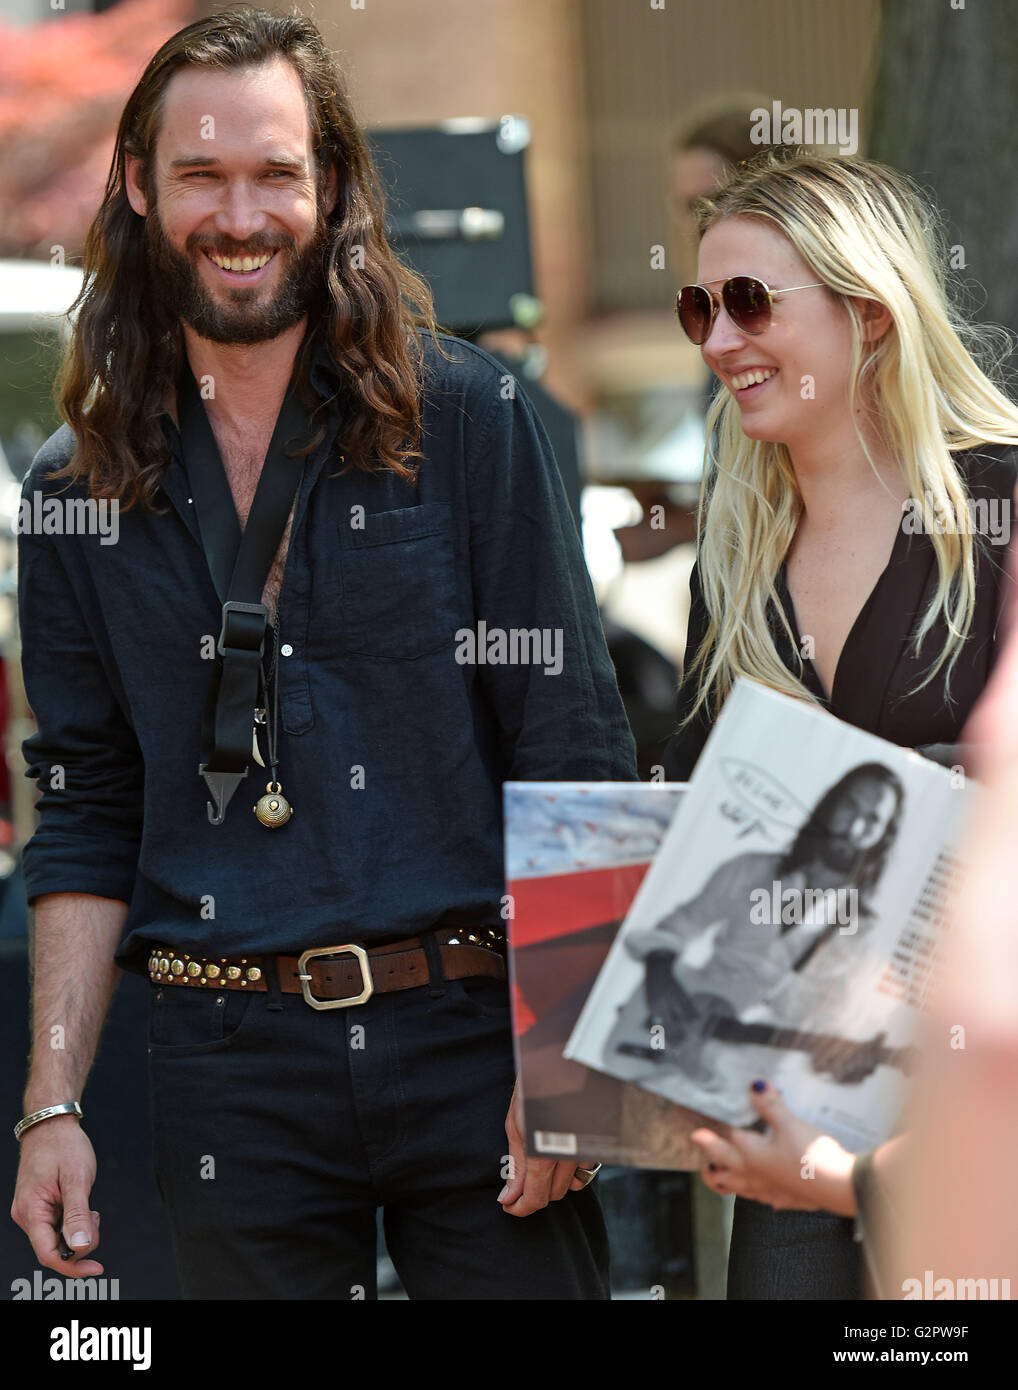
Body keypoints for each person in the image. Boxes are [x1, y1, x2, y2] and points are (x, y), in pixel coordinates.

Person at [9, 8, 637, 1301]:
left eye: (275, 173)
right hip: (222, 1057)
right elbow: (80, 808)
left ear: (332, 182)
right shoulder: (74, 490)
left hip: (474, 1036)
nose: (242, 214)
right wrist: (49, 1101)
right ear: (139, 186)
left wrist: (575, 1064)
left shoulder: (467, 413)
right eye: (202, 174)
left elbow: (571, 741)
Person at [661, 148, 1018, 1299]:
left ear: (869, 314)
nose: (719, 341)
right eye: (698, 308)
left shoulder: (1000, 507)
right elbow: (693, 828)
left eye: (752, 301)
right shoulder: (734, 562)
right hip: (793, 1110)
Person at [604, 763, 904, 1105]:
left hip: (740, 1088)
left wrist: (842, 1060)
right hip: (664, 1038)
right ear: (831, 804)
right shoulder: (752, 869)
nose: (855, 826)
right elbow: (678, 925)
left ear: (884, 835)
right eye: (850, 805)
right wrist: (659, 976)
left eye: (873, 819)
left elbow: (831, 1029)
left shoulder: (867, 934)